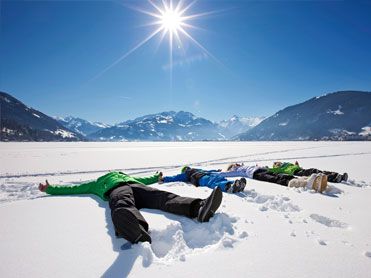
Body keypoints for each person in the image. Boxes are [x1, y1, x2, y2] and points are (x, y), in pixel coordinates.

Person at [39, 171, 223, 244]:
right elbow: (75, 188)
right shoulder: (96, 183)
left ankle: (198, 208)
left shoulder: (126, 175)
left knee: (163, 197)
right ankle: (136, 230)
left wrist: (156, 176)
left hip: (137, 188)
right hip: (117, 191)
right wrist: (51, 189)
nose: (111, 173)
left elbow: (145, 180)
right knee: (121, 205)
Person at [219, 163, 328, 193]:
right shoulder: (237, 170)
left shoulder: (244, 166)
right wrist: (219, 173)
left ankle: (309, 180)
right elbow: (228, 175)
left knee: (282, 175)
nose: (237, 164)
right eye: (234, 165)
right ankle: (305, 184)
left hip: (262, 170)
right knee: (277, 179)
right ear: (232, 167)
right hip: (257, 175)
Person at [160, 166, 247, 193]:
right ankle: (232, 185)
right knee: (218, 180)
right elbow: (207, 171)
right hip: (208, 176)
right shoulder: (193, 171)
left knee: (215, 181)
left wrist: (164, 179)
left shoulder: (187, 173)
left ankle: (234, 185)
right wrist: (216, 170)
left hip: (203, 178)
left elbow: (175, 177)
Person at [270, 161, 348, 183]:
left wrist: (297, 165)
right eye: (276, 164)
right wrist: (265, 168)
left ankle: (338, 175)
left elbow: (296, 166)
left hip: (301, 170)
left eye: (278, 162)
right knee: (315, 173)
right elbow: (271, 170)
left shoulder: (287, 164)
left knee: (318, 171)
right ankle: (333, 178)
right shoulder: (279, 169)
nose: (278, 163)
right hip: (298, 173)